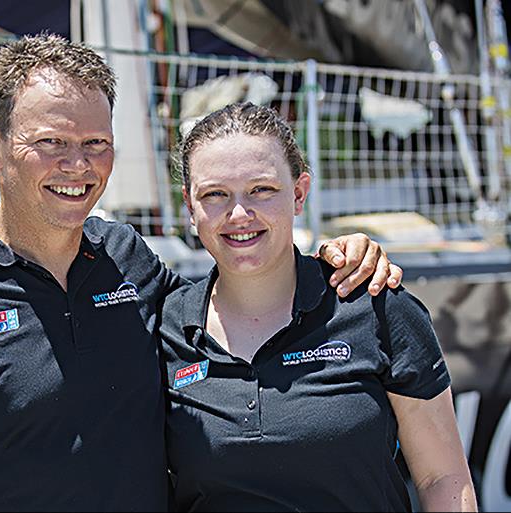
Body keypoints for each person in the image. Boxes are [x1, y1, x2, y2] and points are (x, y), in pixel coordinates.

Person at [0, 34, 403, 512]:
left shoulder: (127, 258)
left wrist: (334, 257)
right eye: (51, 143)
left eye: (96, 143)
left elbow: (235, 296)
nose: (77, 164)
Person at [159, 102, 477, 512]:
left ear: (298, 194)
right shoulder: (164, 328)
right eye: (215, 194)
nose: (239, 213)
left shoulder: (374, 304)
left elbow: (443, 478)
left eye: (262, 190)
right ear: (190, 206)